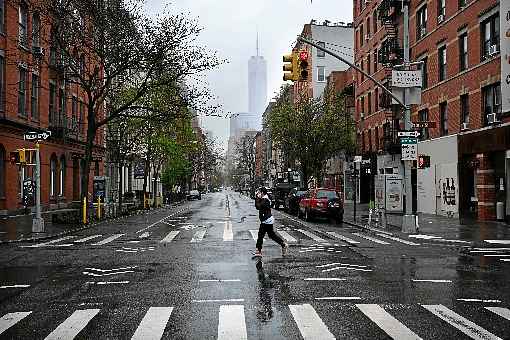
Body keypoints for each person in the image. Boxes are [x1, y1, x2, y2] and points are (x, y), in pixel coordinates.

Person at [253, 187, 288, 257]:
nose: (258, 193)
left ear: (262, 192)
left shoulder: (265, 200)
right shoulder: (264, 199)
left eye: (259, 192)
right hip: (267, 220)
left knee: (260, 235)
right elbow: (258, 207)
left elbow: (258, 206)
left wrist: (257, 198)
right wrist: (258, 198)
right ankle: (283, 244)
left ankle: (258, 251)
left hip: (266, 220)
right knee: (271, 235)